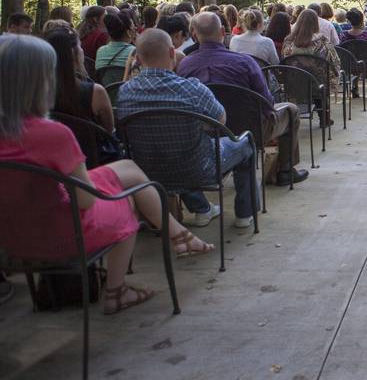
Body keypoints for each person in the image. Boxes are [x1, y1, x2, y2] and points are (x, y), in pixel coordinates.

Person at [0, 34, 213, 314]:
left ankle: (180, 236)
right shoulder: (52, 135)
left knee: (130, 170)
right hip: (61, 235)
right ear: (40, 81)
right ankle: (117, 291)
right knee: (129, 200)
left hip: (11, 238)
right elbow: (86, 201)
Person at [117, 28, 260, 227]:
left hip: (146, 171)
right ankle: (245, 213)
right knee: (246, 143)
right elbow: (221, 120)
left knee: (175, 148)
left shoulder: (125, 92)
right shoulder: (191, 88)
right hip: (198, 169)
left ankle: (202, 209)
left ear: (138, 58)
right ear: (171, 52)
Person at [175, 13, 307, 187]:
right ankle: (285, 170)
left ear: (194, 35)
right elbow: (266, 102)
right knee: (291, 110)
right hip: (252, 130)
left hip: (208, 131)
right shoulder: (245, 62)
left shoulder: (184, 65)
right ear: (223, 32)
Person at [46, 26, 114, 132]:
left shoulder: (34, 93)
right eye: (80, 47)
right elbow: (109, 131)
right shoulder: (96, 93)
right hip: (88, 147)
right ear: (74, 54)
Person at [283, 8, 341, 75]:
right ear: (315, 23)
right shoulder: (322, 41)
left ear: (298, 21)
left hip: (292, 81)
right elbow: (335, 62)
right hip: (319, 82)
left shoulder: (289, 41)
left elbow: (284, 62)